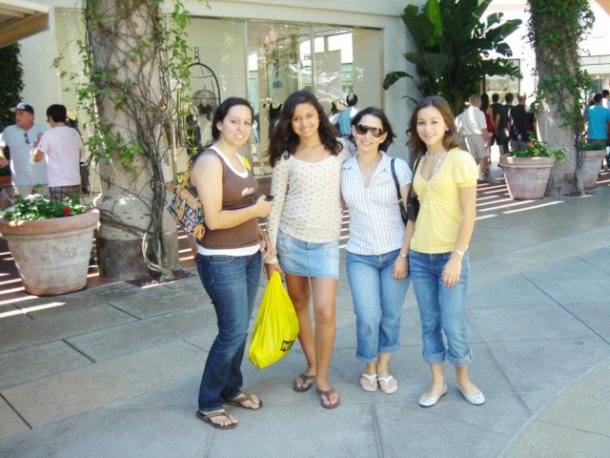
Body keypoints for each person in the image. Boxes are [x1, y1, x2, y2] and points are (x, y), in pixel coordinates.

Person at [190, 97, 274, 429]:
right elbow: (213, 219)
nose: (241, 128)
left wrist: (260, 232)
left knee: (238, 330)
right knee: (232, 331)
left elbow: (249, 205)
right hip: (220, 259)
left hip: (249, 254)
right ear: (220, 123)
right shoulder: (210, 162)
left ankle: (230, 388)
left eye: (247, 122)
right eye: (234, 121)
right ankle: (209, 402)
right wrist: (256, 212)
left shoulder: (240, 159)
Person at [266, 90, 347, 409]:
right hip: (291, 240)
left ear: (319, 116)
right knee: (300, 307)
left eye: (309, 116)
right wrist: (271, 254)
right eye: (297, 118)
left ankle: (324, 378)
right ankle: (313, 366)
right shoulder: (286, 158)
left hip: (326, 242)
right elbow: (275, 206)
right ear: (290, 122)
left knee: (325, 311)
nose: (304, 123)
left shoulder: (339, 151)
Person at [405, 95, 485, 408]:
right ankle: (437, 382)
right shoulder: (419, 161)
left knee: (453, 322)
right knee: (429, 322)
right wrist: (406, 252)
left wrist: (457, 257)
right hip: (420, 255)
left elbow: (470, 213)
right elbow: (415, 211)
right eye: (421, 122)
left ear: (447, 124)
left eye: (434, 121)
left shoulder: (460, 159)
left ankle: (463, 379)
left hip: (449, 256)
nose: (427, 128)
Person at [340, 107, 412, 394]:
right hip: (359, 255)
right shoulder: (343, 168)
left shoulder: (397, 167)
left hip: (395, 251)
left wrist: (404, 256)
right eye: (362, 129)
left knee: (391, 315)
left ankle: (383, 366)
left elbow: (413, 216)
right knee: (368, 315)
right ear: (353, 130)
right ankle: (368, 364)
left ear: (384, 136)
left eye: (375, 131)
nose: (367, 135)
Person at [33, 104, 83, 203]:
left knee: (61, 215)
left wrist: (39, 142)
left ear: (51, 118)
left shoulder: (48, 134)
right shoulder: (74, 133)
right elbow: (80, 155)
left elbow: (36, 158)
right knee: (75, 213)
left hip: (58, 183)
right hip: (75, 181)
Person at [0, 102, 48, 196]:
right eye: (16, 114)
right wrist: (2, 157)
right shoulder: (9, 131)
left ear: (31, 116)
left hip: (42, 181)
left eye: (21, 114)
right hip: (19, 183)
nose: (17, 117)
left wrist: (39, 144)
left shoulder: (43, 130)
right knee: (20, 210)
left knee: (44, 210)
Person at [461, 95, 489, 180]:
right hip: (478, 136)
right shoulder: (480, 113)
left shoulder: (465, 113)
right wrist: (487, 139)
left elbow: (462, 128)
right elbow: (483, 128)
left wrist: (462, 138)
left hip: (468, 137)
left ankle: (472, 175)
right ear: (478, 102)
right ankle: (479, 176)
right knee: (482, 157)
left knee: (472, 157)